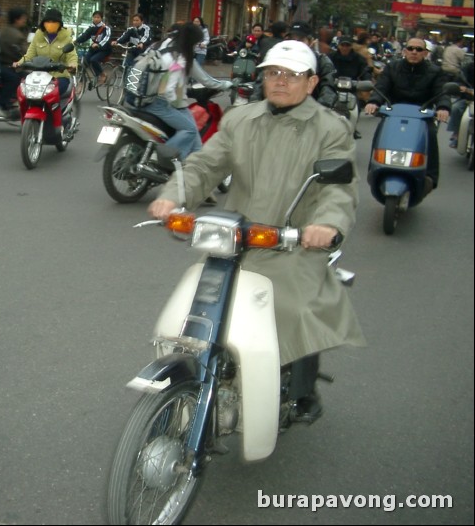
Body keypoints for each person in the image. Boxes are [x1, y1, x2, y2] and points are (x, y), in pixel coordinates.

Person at [148, 40, 364, 423]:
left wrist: (326, 224)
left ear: (311, 82)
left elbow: (338, 188)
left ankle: (301, 390)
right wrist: (173, 196)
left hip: (293, 241)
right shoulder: (240, 119)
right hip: (236, 238)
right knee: (199, 301)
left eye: (292, 75)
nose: (280, 82)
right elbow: (204, 165)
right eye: (273, 73)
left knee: (295, 308)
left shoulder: (332, 128)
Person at [364, 38, 452, 190]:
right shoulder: (392, 67)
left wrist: (443, 107)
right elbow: (382, 86)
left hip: (422, 116)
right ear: (404, 51)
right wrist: (374, 102)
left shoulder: (435, 72)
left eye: (418, 49)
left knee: (430, 134)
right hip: (394, 114)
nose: (414, 52)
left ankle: (430, 177)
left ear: (425, 53)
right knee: (380, 132)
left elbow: (442, 92)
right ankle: (373, 171)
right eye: (410, 48)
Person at [137, 22, 232, 160]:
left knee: (195, 142)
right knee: (190, 129)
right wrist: (228, 84)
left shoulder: (161, 45)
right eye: (196, 43)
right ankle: (159, 158)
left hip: (142, 96)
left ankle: (192, 169)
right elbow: (169, 89)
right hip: (160, 102)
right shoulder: (180, 58)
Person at [251, 25, 338, 111]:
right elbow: (260, 84)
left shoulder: (322, 61)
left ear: (311, 42)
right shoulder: (277, 58)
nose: (296, 44)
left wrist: (319, 112)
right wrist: (254, 108)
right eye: (292, 39)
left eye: (301, 40)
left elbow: (328, 89)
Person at [13, 8, 78, 119]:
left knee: (53, 94)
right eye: (48, 22)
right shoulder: (38, 35)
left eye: (54, 22)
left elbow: (72, 56)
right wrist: (19, 63)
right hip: (39, 76)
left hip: (59, 76)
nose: (51, 24)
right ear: (43, 23)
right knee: (25, 90)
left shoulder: (66, 37)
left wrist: (72, 65)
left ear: (59, 24)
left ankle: (61, 118)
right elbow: (29, 54)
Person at [0, 7, 29, 111]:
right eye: (23, 18)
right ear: (17, 19)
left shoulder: (4, 30)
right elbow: (24, 52)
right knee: (15, 79)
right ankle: (3, 103)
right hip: (6, 65)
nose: (25, 20)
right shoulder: (17, 35)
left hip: (2, 63)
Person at [74, 10, 113, 84]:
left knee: (93, 60)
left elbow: (107, 38)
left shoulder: (106, 28)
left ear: (101, 18)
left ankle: (102, 74)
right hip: (94, 49)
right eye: (94, 17)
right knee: (85, 61)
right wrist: (76, 41)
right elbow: (84, 36)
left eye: (98, 17)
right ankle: (83, 78)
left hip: (104, 49)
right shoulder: (91, 28)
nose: (96, 19)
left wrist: (99, 44)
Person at [111, 13, 152, 77]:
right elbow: (124, 37)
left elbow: (146, 37)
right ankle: (125, 84)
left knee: (138, 68)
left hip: (142, 51)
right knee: (127, 66)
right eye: (134, 20)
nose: (135, 22)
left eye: (137, 20)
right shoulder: (130, 29)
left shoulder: (146, 29)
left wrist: (141, 43)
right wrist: (117, 41)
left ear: (142, 21)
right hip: (132, 50)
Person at [447, 59, 474, 147]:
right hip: (468, 99)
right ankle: (457, 134)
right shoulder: (468, 67)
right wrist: (461, 87)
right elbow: (459, 80)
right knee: (455, 108)